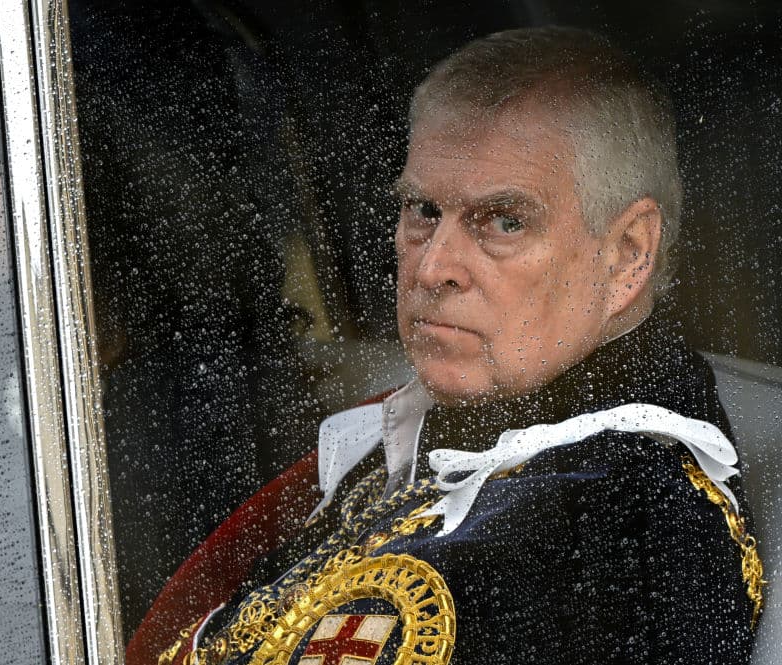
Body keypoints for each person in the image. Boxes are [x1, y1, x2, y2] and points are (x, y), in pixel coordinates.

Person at [143, 26, 765, 665]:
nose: (433, 266)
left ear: (628, 253)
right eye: (421, 210)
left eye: (503, 221)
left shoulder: (623, 530)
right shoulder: (458, 433)